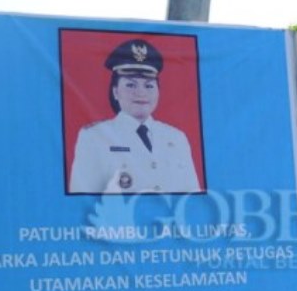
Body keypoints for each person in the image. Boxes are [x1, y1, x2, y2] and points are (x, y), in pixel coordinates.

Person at [69, 39, 201, 194]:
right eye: (131, 85)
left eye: (149, 85)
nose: (141, 92)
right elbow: (81, 199)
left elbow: (193, 199)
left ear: (159, 91)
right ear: (115, 92)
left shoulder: (177, 138)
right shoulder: (93, 137)